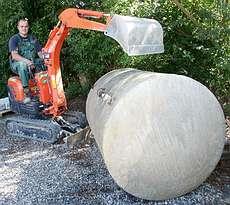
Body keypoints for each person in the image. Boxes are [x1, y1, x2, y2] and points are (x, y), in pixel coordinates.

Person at [8, 18, 45, 102]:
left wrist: (47, 59)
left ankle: (44, 88)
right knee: (22, 65)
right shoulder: (14, 39)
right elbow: (14, 56)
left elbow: (40, 54)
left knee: (43, 62)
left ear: (28, 27)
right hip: (17, 63)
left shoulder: (33, 39)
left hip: (32, 61)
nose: (24, 28)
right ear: (18, 27)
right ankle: (26, 92)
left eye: (26, 26)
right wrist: (27, 62)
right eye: (22, 26)